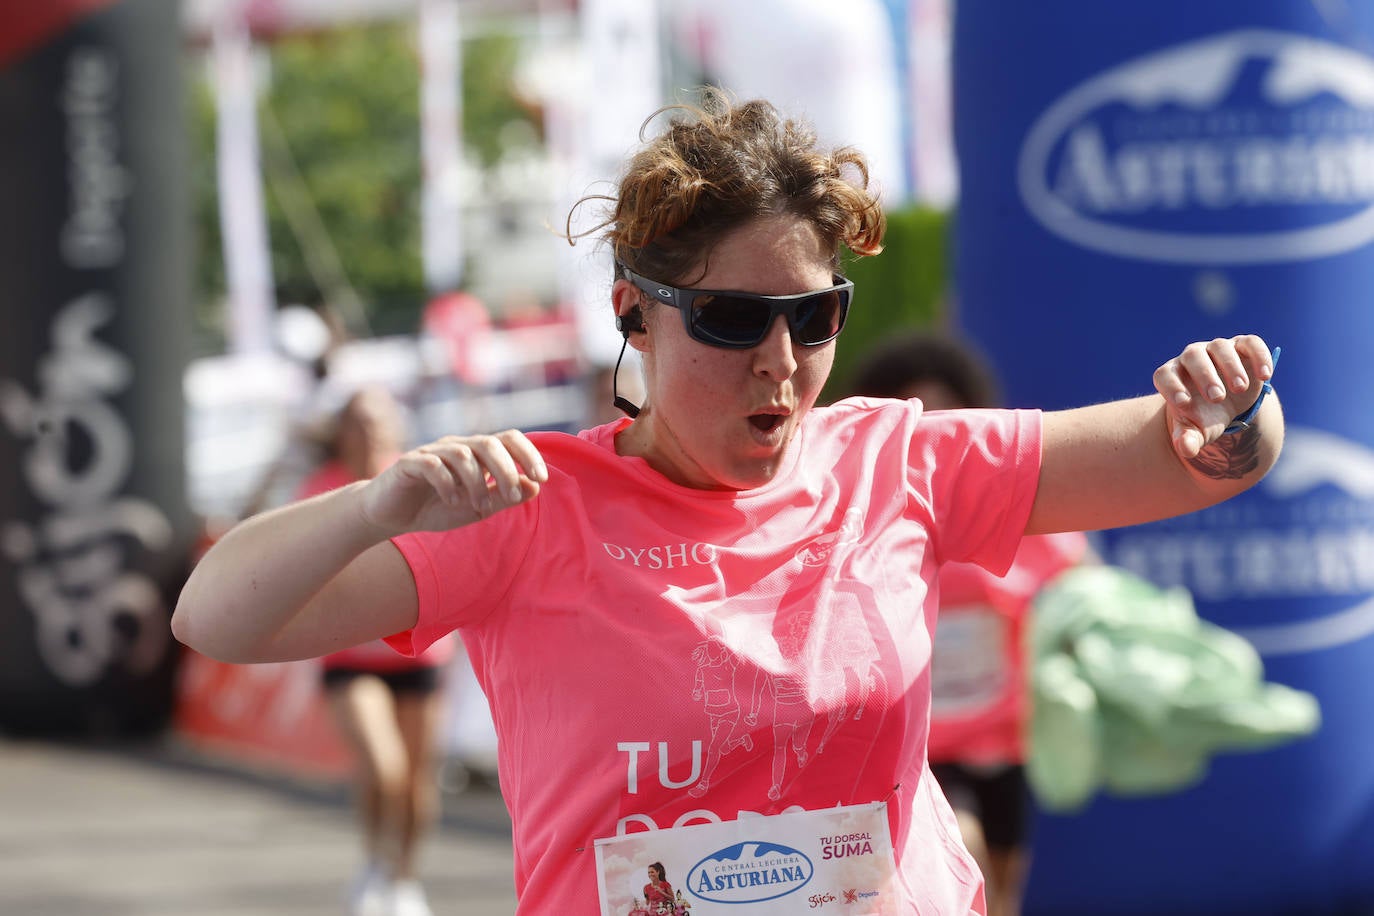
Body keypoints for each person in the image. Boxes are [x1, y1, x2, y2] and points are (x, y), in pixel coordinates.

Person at [172, 89, 1284, 915]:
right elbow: (214, 617)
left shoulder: (895, 459)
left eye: (814, 318)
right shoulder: (530, 502)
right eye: (730, 321)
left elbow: (1195, 455)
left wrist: (1234, 407)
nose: (780, 362)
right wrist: (378, 505)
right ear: (635, 313)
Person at [848, 331, 1088, 916]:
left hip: (1003, 739)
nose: (937, 425)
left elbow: (1075, 579)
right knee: (965, 854)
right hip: (918, 748)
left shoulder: (1006, 508)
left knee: (1001, 889)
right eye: (918, 414)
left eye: (948, 410)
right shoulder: (870, 518)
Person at [299, 387, 458, 916]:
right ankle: (373, 860)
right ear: (342, 433)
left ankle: (405, 878)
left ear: (396, 429)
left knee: (416, 780)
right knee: (382, 766)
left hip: (420, 656)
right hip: (349, 659)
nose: (369, 433)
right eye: (358, 424)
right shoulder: (322, 489)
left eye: (378, 423)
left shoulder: (420, 479)